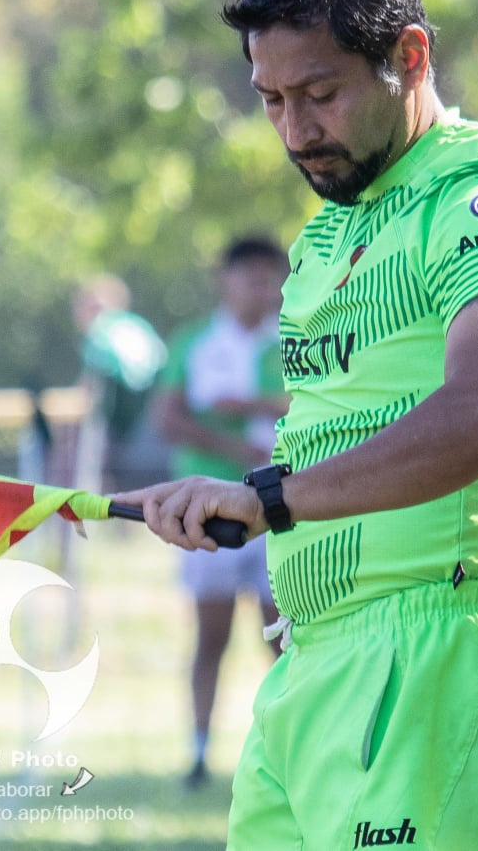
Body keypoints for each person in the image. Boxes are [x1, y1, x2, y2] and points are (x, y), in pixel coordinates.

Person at [117, 0, 478, 849]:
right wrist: (310, 578)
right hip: (316, 659)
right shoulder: (326, 236)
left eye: (320, 93)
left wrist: (269, 501)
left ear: (409, 57)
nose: (296, 130)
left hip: (435, 652)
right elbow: (334, 426)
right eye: (271, 100)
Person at [151, 236, 288, 789]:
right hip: (207, 514)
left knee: (282, 638)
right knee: (211, 637)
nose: (262, 289)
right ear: (225, 280)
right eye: (249, 277)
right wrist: (235, 448)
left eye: (270, 277)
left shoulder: (299, 337)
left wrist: (248, 408)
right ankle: (199, 751)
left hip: (285, 508)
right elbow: (168, 417)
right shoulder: (197, 342)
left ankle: (287, 748)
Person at [71, 274, 167, 491]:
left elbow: (90, 390)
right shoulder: (140, 327)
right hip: (161, 430)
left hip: (131, 431)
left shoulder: (100, 332)